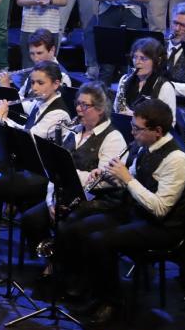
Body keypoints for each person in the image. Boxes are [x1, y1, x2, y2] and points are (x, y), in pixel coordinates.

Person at [81, 98, 185, 325]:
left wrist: (127, 179)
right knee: (81, 227)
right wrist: (109, 176)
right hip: (139, 214)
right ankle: (94, 292)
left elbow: (160, 209)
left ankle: (112, 303)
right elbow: (131, 178)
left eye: (137, 128)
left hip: (164, 228)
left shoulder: (177, 160)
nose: (132, 133)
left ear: (157, 131)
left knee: (100, 240)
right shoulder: (146, 146)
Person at [0, 61, 73, 268]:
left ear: (56, 84)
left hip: (41, 175)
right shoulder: (39, 102)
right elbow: (17, 110)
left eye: (40, 83)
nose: (34, 88)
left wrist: (3, 118)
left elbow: (29, 138)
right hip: (23, 167)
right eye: (32, 82)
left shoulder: (59, 113)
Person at [19, 82, 128, 284]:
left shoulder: (113, 139)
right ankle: (54, 261)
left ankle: (71, 276)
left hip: (96, 202)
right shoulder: (74, 132)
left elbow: (101, 181)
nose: (78, 109)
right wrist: (51, 202)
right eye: (77, 103)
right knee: (30, 220)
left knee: (67, 227)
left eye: (85, 105)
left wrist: (70, 175)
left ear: (100, 109)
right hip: (65, 196)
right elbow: (54, 173)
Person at [114, 38, 178, 118]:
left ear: (157, 61)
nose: (137, 62)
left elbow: (170, 122)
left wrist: (134, 115)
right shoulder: (125, 79)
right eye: (135, 57)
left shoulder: (165, 87)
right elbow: (117, 109)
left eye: (143, 58)